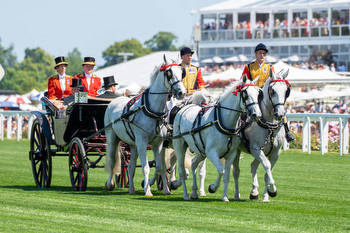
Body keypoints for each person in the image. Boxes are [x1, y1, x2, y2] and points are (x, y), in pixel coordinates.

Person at [241, 43, 295, 142]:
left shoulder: (270, 67)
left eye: (264, 54)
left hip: (266, 94)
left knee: (280, 109)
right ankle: (239, 133)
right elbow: (244, 81)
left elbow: (272, 82)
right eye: (260, 53)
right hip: (253, 94)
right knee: (244, 111)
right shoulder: (248, 67)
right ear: (256, 54)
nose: (262, 55)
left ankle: (287, 132)